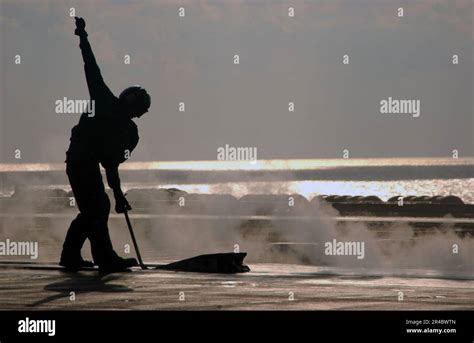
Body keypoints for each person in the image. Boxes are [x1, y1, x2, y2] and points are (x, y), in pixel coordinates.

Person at [60, 17, 151, 273]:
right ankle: (104, 257)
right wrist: (83, 37)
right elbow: (91, 66)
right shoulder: (103, 100)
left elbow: (111, 163)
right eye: (136, 110)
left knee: (95, 208)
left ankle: (71, 255)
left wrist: (120, 195)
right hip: (79, 162)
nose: (134, 116)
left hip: (85, 164)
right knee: (97, 207)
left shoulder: (128, 132)